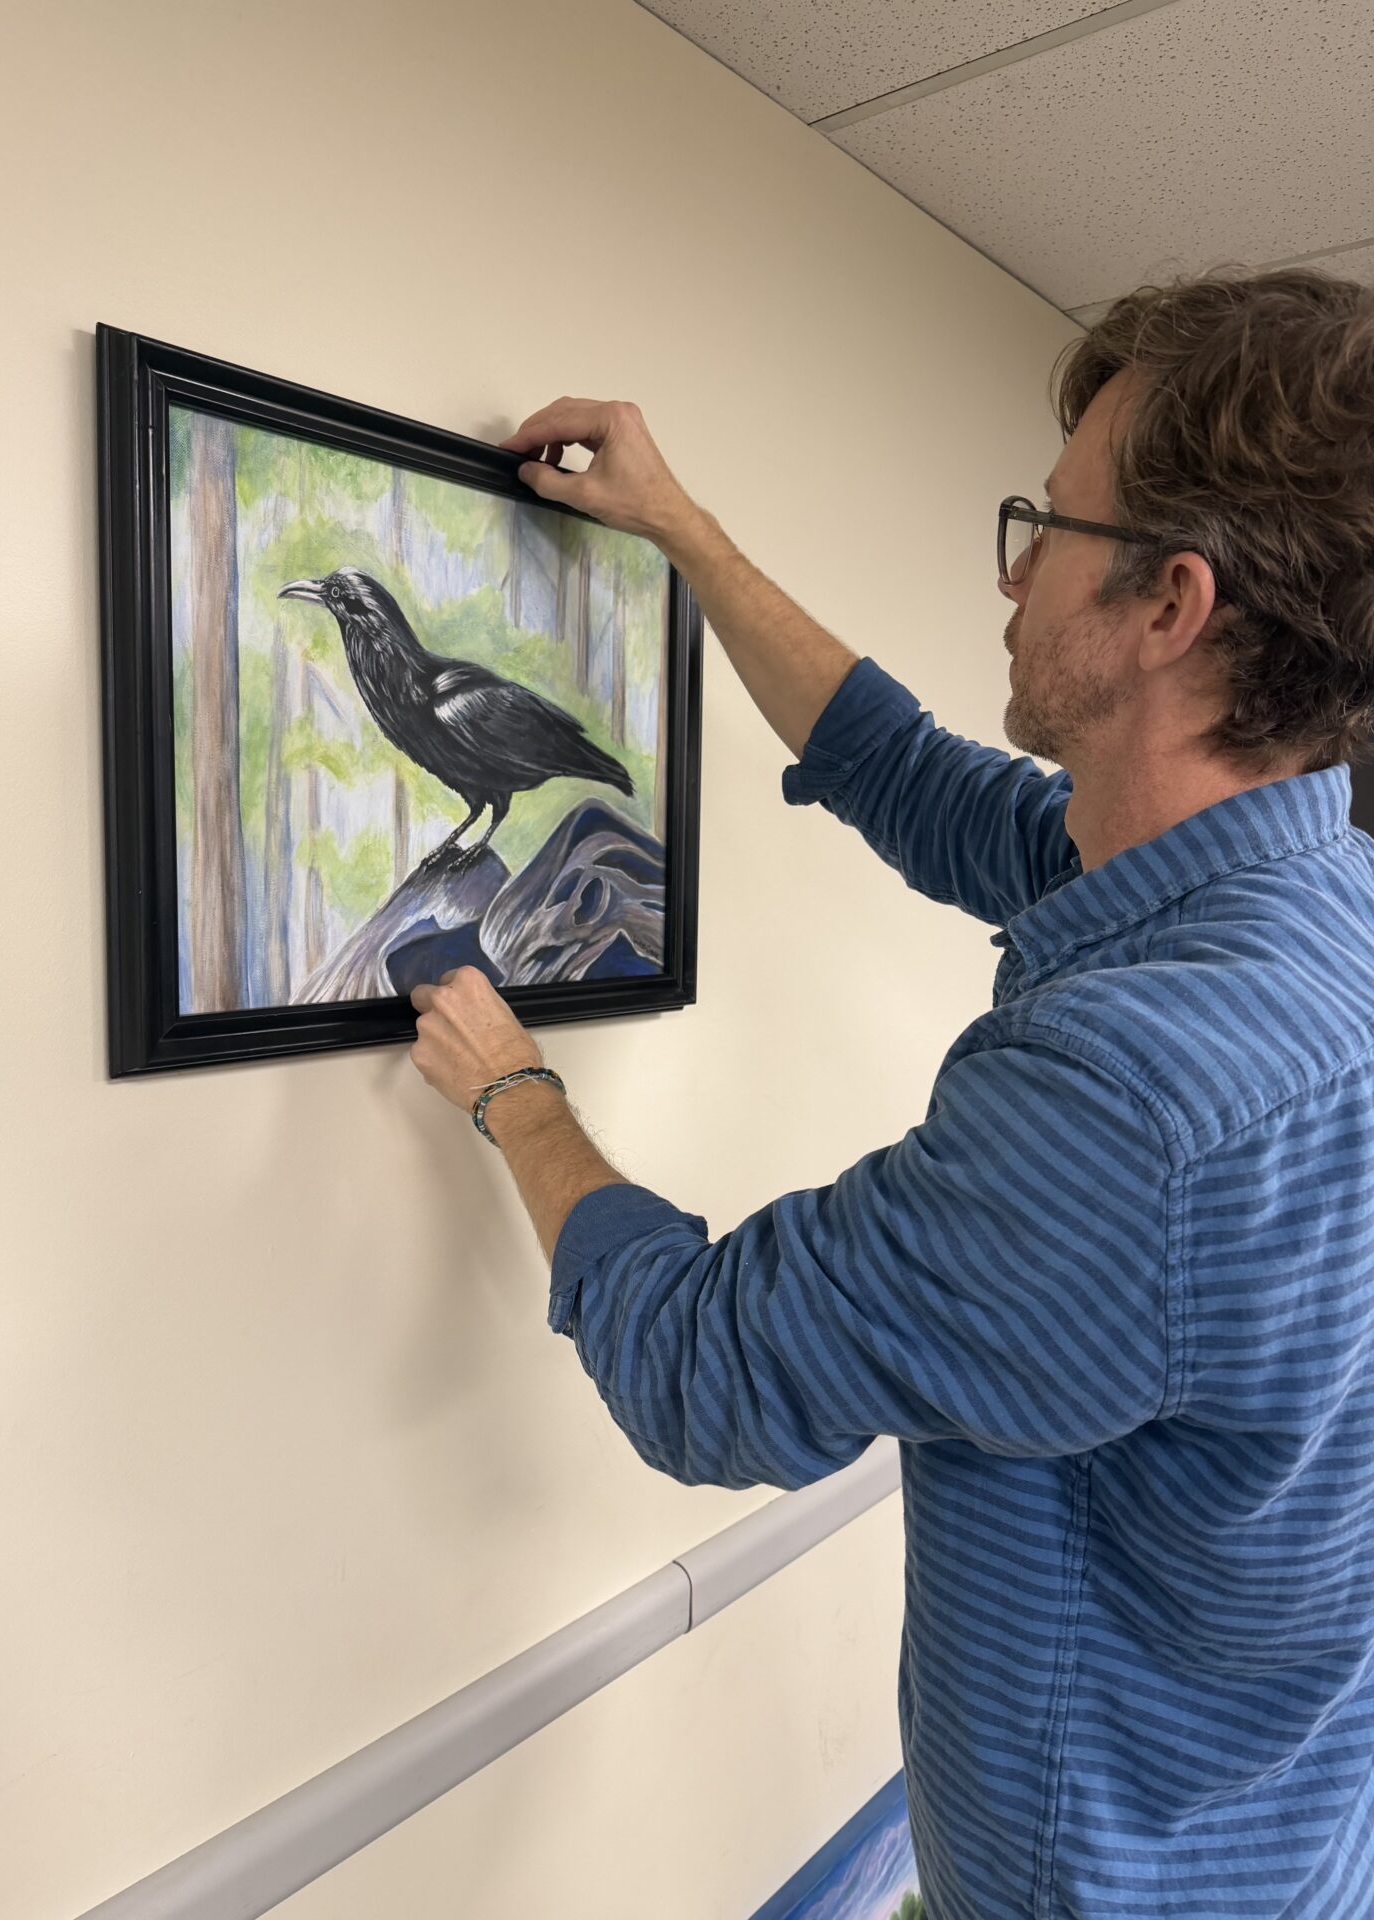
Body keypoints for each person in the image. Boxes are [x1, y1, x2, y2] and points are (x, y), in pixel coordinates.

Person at [405, 268, 1374, 1918]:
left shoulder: (1135, 1099)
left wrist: (520, 1099)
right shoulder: (1304, 899)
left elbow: (706, 1367)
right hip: (1289, 1828)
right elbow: (913, 777)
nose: (1009, 574)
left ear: (1170, 607)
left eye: (1046, 528)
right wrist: (686, 535)